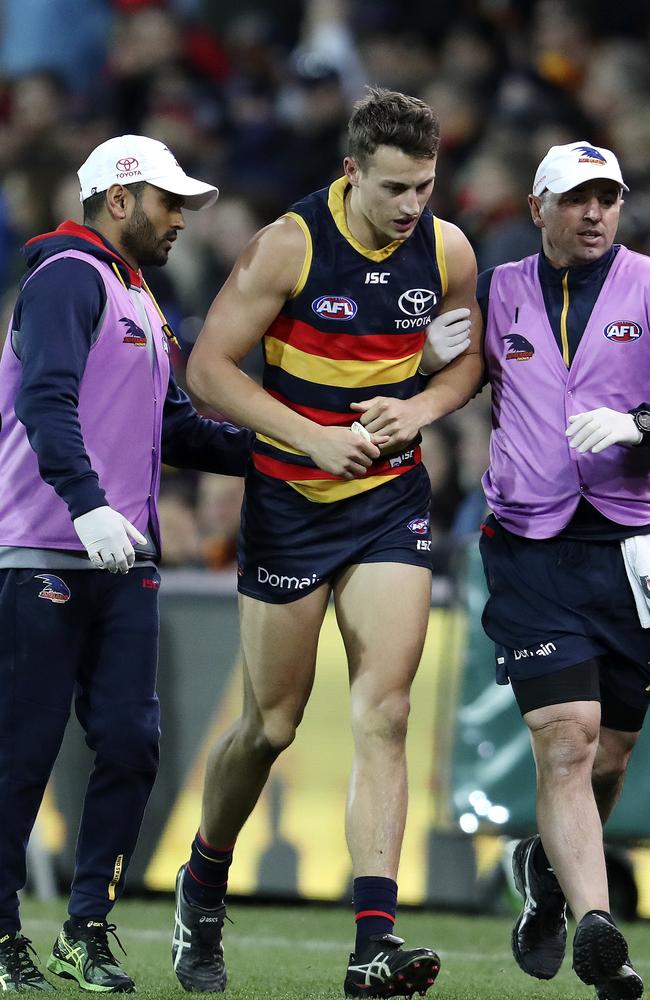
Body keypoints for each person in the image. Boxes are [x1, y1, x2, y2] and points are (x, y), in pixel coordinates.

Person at [170, 86, 482, 997]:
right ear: (352, 172)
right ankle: (203, 877)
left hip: (388, 499)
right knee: (271, 726)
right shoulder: (289, 245)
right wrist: (307, 435)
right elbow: (207, 370)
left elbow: (467, 363)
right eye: (393, 188)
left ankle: (373, 944)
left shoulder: (447, 249)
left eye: (424, 185)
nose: (411, 206)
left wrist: (419, 403)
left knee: (385, 712)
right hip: (293, 501)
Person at [0, 135, 252, 992]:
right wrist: (87, 501)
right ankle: (2, 934)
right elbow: (44, 397)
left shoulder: (137, 295)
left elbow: (177, 430)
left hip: (121, 557)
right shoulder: (68, 277)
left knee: (131, 743)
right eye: (168, 202)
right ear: (118, 199)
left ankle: (84, 930)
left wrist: (293, 451)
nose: (180, 219)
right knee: (22, 751)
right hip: (45, 546)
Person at [477, 141, 649, 1000]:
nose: (595, 214)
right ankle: (597, 931)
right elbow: (459, 377)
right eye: (577, 199)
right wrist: (433, 354)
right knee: (570, 735)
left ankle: (546, 877)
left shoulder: (648, 284)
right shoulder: (497, 288)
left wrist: (638, 424)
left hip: (631, 548)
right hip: (531, 543)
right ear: (538, 205)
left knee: (611, 752)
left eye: (608, 199)